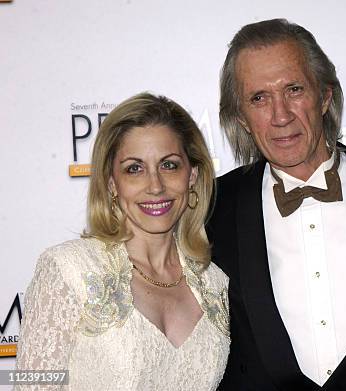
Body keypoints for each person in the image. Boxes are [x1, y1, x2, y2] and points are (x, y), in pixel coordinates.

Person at [207, 18, 346, 390]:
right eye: (259, 98)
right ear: (241, 118)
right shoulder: (211, 210)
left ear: (325, 96)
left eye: (294, 89)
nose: (280, 115)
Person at [15, 93, 229, 390]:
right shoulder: (68, 270)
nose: (155, 186)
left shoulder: (215, 284)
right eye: (134, 168)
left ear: (192, 175)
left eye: (169, 165)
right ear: (111, 183)